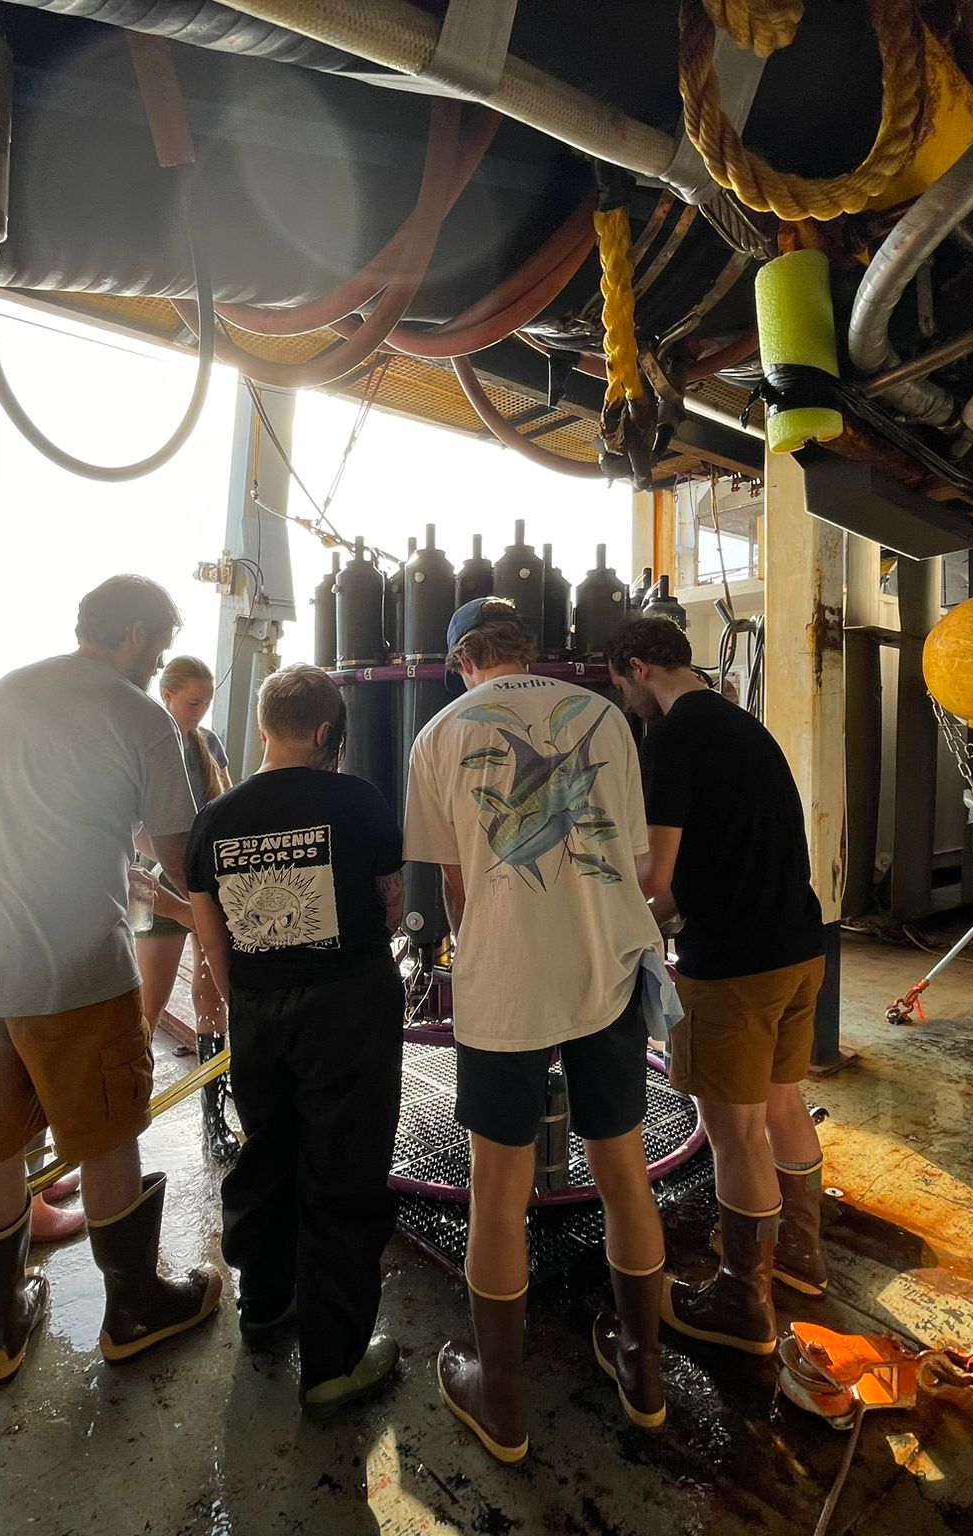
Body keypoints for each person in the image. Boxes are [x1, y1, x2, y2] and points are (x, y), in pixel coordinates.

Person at [0, 574, 220, 1385]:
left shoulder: (8, 691)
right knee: (107, 1130)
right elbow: (182, 856)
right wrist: (228, 939)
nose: (159, 657)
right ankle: (132, 1310)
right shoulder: (140, 716)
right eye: (158, 643)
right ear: (132, 633)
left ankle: (2, 1328)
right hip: (68, 964)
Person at [404, 596, 669, 1462]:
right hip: (606, 972)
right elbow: (634, 864)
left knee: (499, 1193)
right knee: (625, 1172)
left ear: (463, 658)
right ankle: (643, 1372)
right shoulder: (602, 716)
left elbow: (455, 892)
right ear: (529, 650)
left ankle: (503, 1405)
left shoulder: (438, 735)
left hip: (506, 990)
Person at [185, 665, 407, 1419]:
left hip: (258, 1010)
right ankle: (334, 1365)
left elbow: (208, 927)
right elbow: (391, 900)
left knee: (269, 1152)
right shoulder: (357, 800)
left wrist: (250, 994)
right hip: (348, 1007)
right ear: (324, 733)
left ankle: (266, 1304)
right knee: (342, 1174)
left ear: (261, 728)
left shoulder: (217, 817)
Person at [606, 614, 829, 1357]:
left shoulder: (672, 738)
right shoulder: (743, 726)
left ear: (638, 667)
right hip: (799, 948)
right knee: (781, 1104)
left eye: (621, 687)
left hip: (734, 968)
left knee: (734, 1133)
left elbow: (655, 879)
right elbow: (704, 872)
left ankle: (742, 1299)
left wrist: (599, 910)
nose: (626, 705)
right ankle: (798, 1256)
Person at [136, 654, 239, 1162]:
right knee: (148, 1005)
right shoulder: (146, 746)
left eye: (206, 703)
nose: (199, 712)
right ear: (167, 696)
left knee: (211, 996)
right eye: (192, 702)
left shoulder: (208, 745)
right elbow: (138, 831)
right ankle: (124, 1116)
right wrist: (185, 869)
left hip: (207, 884)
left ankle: (214, 1119)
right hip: (164, 887)